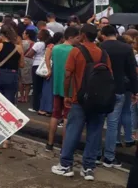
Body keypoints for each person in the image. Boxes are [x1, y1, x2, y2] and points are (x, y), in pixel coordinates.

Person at [51, 24, 110, 181]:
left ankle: (65, 165)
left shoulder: (76, 51)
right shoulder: (103, 53)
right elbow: (108, 75)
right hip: (98, 100)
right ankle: (88, 168)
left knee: (72, 131)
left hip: (79, 99)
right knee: (95, 133)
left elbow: (68, 74)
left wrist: (67, 95)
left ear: (83, 35)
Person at [99, 24, 138, 168]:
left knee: (97, 122)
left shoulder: (99, 47)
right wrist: (135, 91)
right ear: (116, 33)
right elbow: (132, 73)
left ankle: (96, 154)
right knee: (112, 124)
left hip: (101, 88)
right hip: (119, 89)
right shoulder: (126, 48)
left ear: (103, 34)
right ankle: (109, 157)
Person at [0, 25, 24, 149]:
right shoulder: (19, 48)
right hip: (12, 77)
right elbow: (22, 64)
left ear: (2, 36)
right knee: (9, 106)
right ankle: (7, 138)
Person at [46, 27, 79, 152]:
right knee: (67, 118)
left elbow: (47, 58)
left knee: (55, 115)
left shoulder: (55, 48)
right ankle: (65, 146)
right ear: (71, 37)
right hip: (70, 89)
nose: (78, 40)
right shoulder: (75, 51)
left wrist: (49, 70)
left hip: (56, 86)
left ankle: (49, 143)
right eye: (77, 38)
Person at [28, 29, 52, 115]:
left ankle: (36, 107)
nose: (37, 35)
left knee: (36, 87)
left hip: (36, 66)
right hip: (46, 66)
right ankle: (43, 106)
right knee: (43, 88)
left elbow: (30, 54)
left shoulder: (38, 44)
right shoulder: (48, 45)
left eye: (39, 34)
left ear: (41, 36)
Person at [18, 29, 36, 103]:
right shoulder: (34, 43)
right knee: (28, 80)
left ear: (27, 35)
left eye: (24, 33)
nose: (23, 34)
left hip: (22, 60)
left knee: (21, 80)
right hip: (31, 61)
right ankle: (26, 97)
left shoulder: (22, 43)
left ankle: (21, 97)